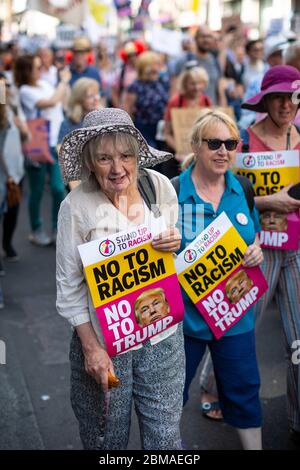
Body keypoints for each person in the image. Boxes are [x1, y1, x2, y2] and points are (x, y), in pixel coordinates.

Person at [56, 108, 185, 450]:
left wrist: (175, 241)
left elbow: (170, 248)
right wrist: (91, 349)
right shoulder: (76, 207)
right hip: (105, 345)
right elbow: (68, 288)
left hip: (163, 337)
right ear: (89, 161)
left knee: (166, 439)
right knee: (106, 441)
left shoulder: (158, 186)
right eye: (104, 158)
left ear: (137, 155)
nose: (117, 169)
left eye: (126, 156)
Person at [176, 109, 264, 449]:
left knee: (243, 391)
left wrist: (255, 250)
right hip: (185, 322)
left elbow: (251, 236)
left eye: (231, 143)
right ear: (196, 146)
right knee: (169, 399)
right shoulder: (171, 192)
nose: (223, 151)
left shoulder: (242, 187)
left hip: (234, 316)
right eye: (214, 143)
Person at [240, 64, 300, 443]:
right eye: (277, 96)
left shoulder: (299, 139)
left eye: (291, 97)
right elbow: (229, 197)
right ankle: (213, 385)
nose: (285, 105)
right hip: (257, 253)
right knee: (239, 329)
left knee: (298, 338)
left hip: (294, 250)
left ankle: (296, 418)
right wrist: (267, 201)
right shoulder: (242, 144)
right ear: (265, 100)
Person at [14, 54, 70, 246]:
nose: (40, 70)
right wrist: (64, 81)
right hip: (37, 145)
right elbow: (52, 102)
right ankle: (36, 229)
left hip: (56, 144)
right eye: (36, 67)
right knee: (37, 190)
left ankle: (57, 229)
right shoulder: (25, 90)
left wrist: (64, 84)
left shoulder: (43, 85)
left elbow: (61, 100)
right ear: (26, 71)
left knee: (58, 188)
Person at [124, 51, 169, 148]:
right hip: (143, 128)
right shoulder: (136, 86)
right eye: (151, 65)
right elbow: (128, 110)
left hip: (161, 127)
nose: (155, 68)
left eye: (157, 64)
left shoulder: (162, 82)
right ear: (143, 68)